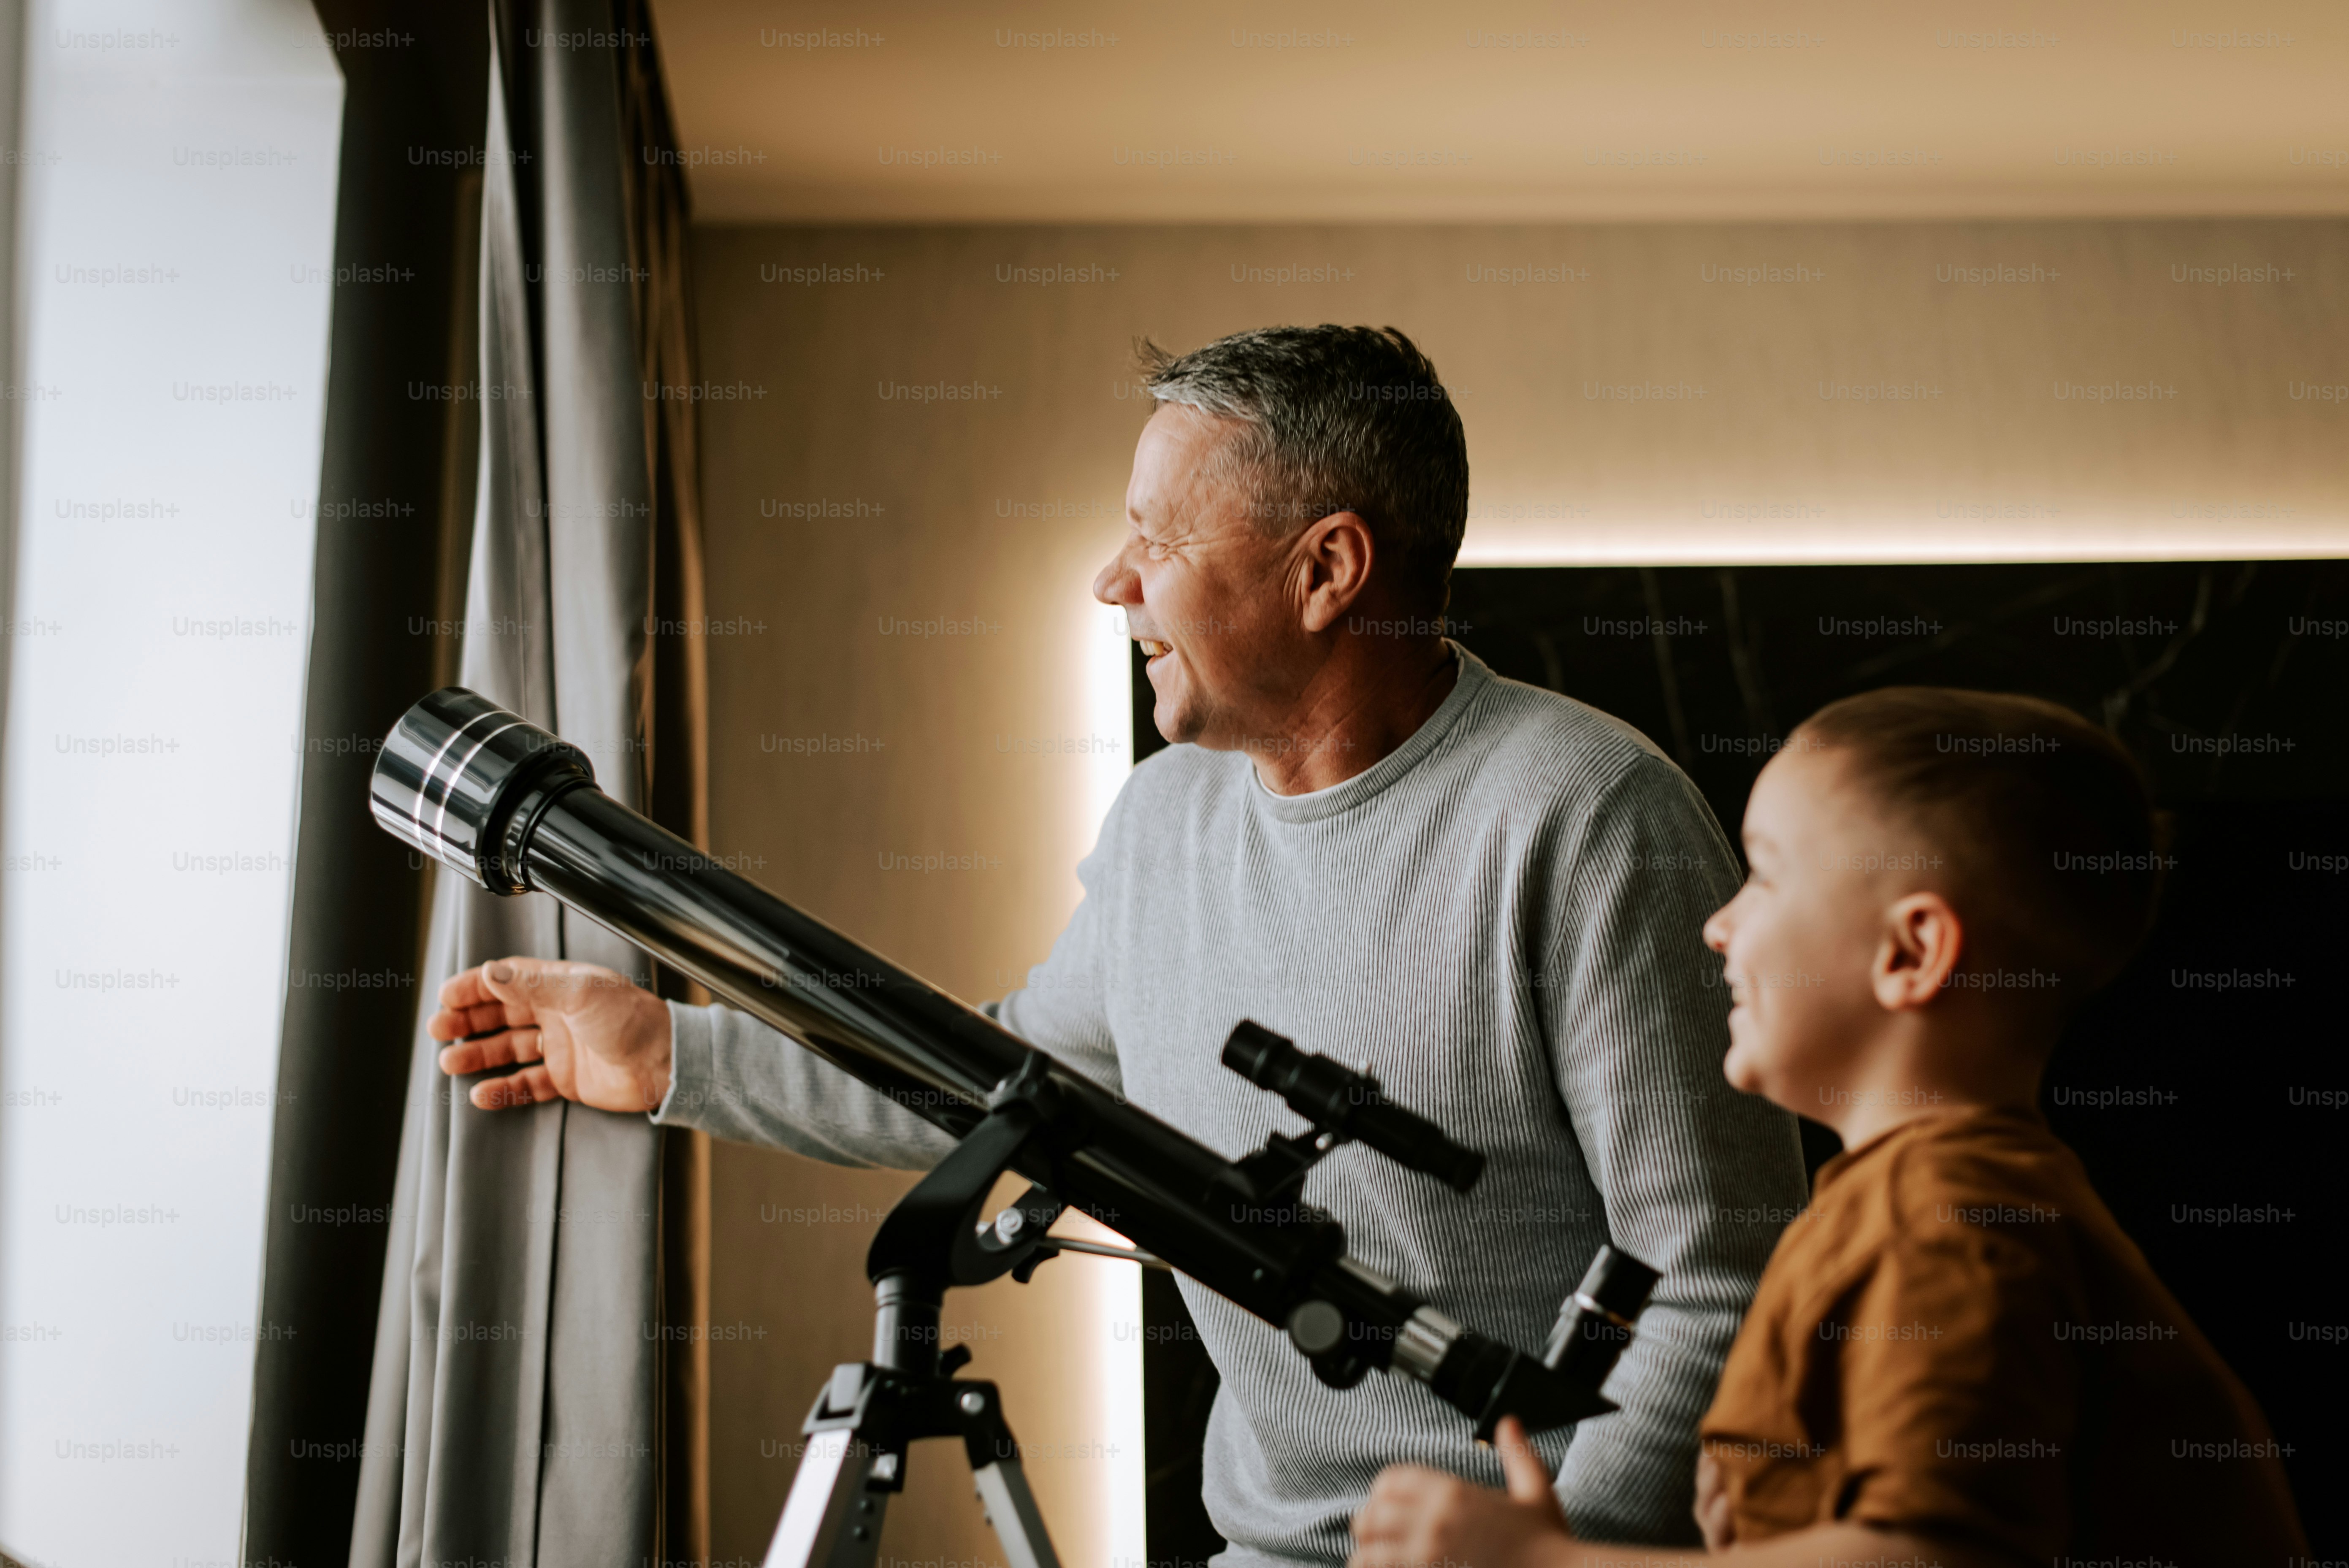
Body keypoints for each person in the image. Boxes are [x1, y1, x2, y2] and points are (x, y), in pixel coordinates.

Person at [426, 324, 1809, 1564]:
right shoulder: (1164, 818)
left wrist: (1555, 1549)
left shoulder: (1584, 816)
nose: (1111, 581)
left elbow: (1718, 1264)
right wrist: (675, 1047)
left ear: (1326, 567)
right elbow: (1008, 1083)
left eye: (1154, 537)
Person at [1348, 687, 2308, 1568]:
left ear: (1910, 952)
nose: (1719, 926)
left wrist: (1546, 1565)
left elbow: (1934, 1556)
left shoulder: (1952, 1226)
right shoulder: (1898, 1201)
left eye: (1763, 876)